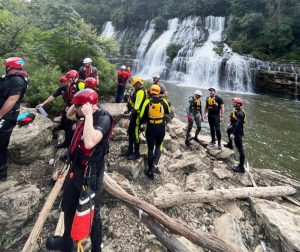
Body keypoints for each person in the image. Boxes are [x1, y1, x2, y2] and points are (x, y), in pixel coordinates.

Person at [46, 89, 113, 252]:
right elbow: (69, 116)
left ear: (89, 106)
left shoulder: (103, 118)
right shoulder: (80, 113)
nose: (76, 109)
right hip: (75, 168)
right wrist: (75, 104)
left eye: (79, 106)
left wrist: (89, 114)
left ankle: (97, 248)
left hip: (91, 174)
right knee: (68, 205)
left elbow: (90, 142)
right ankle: (66, 241)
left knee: (92, 213)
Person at [0, 57, 28, 181]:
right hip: (5, 114)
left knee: (1, 143)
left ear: (10, 67)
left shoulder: (17, 80)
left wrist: (0, 115)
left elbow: (12, 99)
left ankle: (2, 172)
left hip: (7, 116)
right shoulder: (10, 77)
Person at [140, 85, 170, 180]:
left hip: (151, 128)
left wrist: (141, 124)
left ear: (151, 92)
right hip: (161, 127)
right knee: (158, 146)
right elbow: (168, 112)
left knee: (150, 149)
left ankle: (150, 171)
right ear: (158, 92)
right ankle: (155, 166)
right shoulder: (164, 101)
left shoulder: (147, 102)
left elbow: (142, 116)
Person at [125, 76, 147, 160]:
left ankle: (136, 153)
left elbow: (137, 106)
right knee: (130, 132)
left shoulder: (141, 92)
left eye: (134, 85)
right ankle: (130, 150)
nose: (133, 86)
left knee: (135, 134)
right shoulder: (137, 90)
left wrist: (131, 114)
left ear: (138, 83)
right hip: (134, 115)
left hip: (137, 116)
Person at [224, 97, 246, 173]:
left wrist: (233, 133)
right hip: (233, 127)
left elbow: (239, 125)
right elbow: (233, 118)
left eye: (234, 102)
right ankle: (230, 144)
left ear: (238, 104)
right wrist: (229, 123)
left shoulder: (240, 113)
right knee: (228, 130)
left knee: (240, 149)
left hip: (237, 131)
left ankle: (241, 167)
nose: (233, 103)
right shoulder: (236, 110)